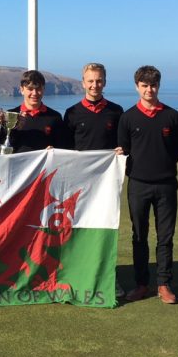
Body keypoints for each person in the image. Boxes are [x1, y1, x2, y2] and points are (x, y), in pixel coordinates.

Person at [117, 66, 178, 304]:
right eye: (144, 85)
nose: (149, 90)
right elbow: (122, 150)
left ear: (159, 86)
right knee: (139, 236)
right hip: (138, 185)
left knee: (165, 237)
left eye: (153, 85)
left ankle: (164, 284)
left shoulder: (172, 116)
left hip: (166, 185)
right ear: (137, 86)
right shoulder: (127, 117)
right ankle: (141, 283)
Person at [63, 62, 124, 296]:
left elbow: (123, 143)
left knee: (105, 229)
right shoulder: (72, 113)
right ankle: (76, 274)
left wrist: (121, 151)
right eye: (90, 81)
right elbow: (65, 151)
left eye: (99, 80)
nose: (94, 85)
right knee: (77, 229)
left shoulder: (116, 112)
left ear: (105, 82)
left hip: (106, 185)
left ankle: (108, 276)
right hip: (78, 185)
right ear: (83, 83)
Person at [0, 70, 69, 152]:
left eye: (38, 88)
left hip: (44, 164)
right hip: (17, 164)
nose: (35, 93)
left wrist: (54, 150)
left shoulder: (55, 117)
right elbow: (2, 145)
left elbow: (63, 146)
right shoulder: (10, 115)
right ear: (22, 90)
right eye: (30, 89)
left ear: (44, 89)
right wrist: (14, 130)